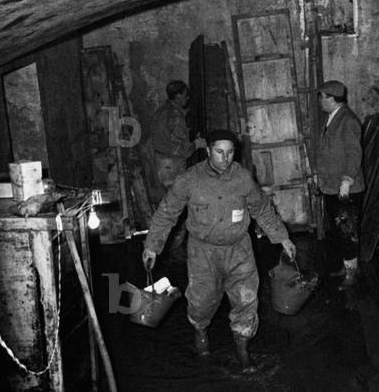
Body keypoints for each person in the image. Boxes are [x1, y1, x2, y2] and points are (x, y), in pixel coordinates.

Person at [142, 129, 297, 371]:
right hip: (203, 253)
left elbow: (261, 208)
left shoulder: (243, 178)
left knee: (247, 299)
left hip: (239, 250)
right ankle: (200, 329)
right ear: (208, 151)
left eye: (230, 152)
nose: (225, 158)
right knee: (202, 301)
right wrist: (152, 246)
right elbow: (167, 212)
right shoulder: (189, 180)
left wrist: (282, 238)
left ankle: (243, 350)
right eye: (219, 152)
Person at [314, 80, 365, 288]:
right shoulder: (332, 118)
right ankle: (346, 267)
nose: (320, 101)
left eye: (322, 97)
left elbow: (354, 154)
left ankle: (352, 275)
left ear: (332, 99)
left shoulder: (348, 121)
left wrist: (347, 180)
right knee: (338, 231)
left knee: (348, 232)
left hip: (346, 188)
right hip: (331, 186)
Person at [141, 79, 205, 206]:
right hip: (172, 164)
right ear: (178, 95)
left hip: (161, 163)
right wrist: (197, 144)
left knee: (170, 201)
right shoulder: (175, 115)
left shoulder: (161, 111)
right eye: (185, 94)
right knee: (177, 203)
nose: (187, 98)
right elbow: (179, 148)